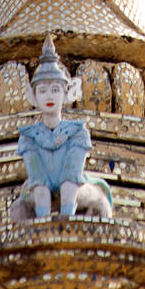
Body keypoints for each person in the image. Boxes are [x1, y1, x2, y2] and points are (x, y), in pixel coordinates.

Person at [12, 36, 113, 220]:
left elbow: (70, 177)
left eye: (56, 90)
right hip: (41, 191)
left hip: (76, 191)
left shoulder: (78, 133)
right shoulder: (28, 137)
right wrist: (44, 224)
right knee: (19, 208)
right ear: (32, 97)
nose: (49, 96)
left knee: (99, 203)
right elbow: (39, 180)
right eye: (42, 91)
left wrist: (65, 221)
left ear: (69, 93)